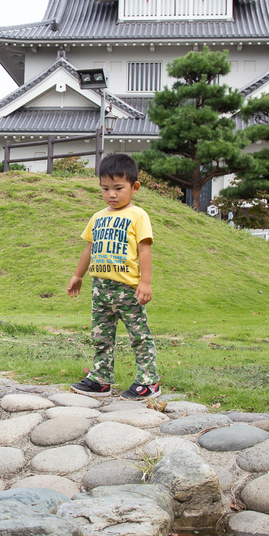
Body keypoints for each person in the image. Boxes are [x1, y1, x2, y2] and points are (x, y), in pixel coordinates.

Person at [66, 153, 160, 400]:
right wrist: (78, 276)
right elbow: (89, 249)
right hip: (100, 289)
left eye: (119, 188)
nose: (112, 194)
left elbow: (144, 249)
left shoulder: (138, 215)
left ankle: (149, 382)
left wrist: (146, 282)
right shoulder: (98, 217)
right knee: (101, 336)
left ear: (134, 187)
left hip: (128, 289)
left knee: (139, 336)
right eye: (106, 188)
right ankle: (100, 379)